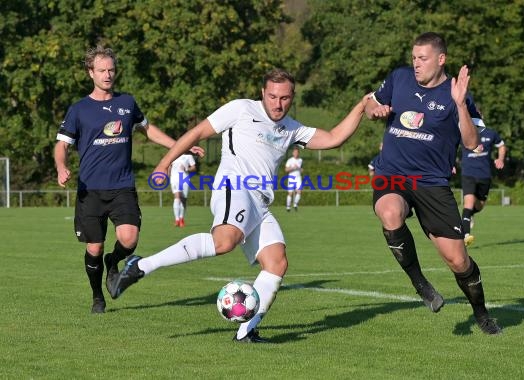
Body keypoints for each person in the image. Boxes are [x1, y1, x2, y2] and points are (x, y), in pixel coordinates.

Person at [110, 68, 369, 342]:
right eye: (272, 96)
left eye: (284, 98)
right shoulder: (241, 109)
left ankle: (246, 331)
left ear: (292, 97)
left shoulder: (291, 128)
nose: (277, 103)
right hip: (234, 187)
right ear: (262, 94)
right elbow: (197, 132)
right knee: (224, 241)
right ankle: (141, 266)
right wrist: (164, 164)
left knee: (276, 263)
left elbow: (334, 138)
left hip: (260, 203)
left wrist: (362, 106)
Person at [364, 32, 501, 334]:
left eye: (422, 58)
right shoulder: (399, 78)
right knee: (389, 212)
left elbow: (472, 142)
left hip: (432, 182)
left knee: (458, 260)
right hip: (393, 173)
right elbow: (369, 103)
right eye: (414, 57)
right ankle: (420, 284)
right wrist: (374, 110)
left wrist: (461, 105)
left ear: (441, 60)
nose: (416, 64)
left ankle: (481, 313)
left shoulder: (456, 94)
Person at [54, 46, 190, 314]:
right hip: (90, 190)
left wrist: (180, 146)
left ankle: (113, 262)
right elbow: (62, 145)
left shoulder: (127, 103)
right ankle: (97, 297)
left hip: (122, 187)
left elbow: (149, 130)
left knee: (129, 240)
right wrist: (61, 167)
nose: (107, 75)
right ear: (90, 72)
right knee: (94, 246)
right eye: (102, 70)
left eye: (111, 70)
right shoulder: (79, 109)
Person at [460, 120, 506, 247]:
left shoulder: (491, 133)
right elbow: (450, 145)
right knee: (468, 203)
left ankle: (470, 215)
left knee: (479, 206)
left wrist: (500, 158)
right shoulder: (463, 133)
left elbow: (501, 145)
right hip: (468, 174)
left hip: (484, 175)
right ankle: (466, 235)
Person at [170, 152, 197, 227]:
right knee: (177, 197)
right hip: (174, 179)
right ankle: (177, 220)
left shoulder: (188, 156)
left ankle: (181, 218)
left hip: (184, 179)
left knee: (183, 199)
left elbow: (194, 167)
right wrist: (167, 176)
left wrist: (187, 168)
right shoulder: (173, 154)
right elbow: (169, 166)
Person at [285, 146, 303, 211]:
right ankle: (288, 207)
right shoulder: (290, 160)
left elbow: (302, 170)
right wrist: (292, 168)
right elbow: (286, 169)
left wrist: (298, 168)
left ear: (298, 153)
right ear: (293, 153)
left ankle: (295, 204)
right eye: (295, 152)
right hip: (291, 178)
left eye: (297, 152)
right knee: (290, 193)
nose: (296, 153)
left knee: (299, 191)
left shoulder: (300, 160)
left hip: (298, 178)